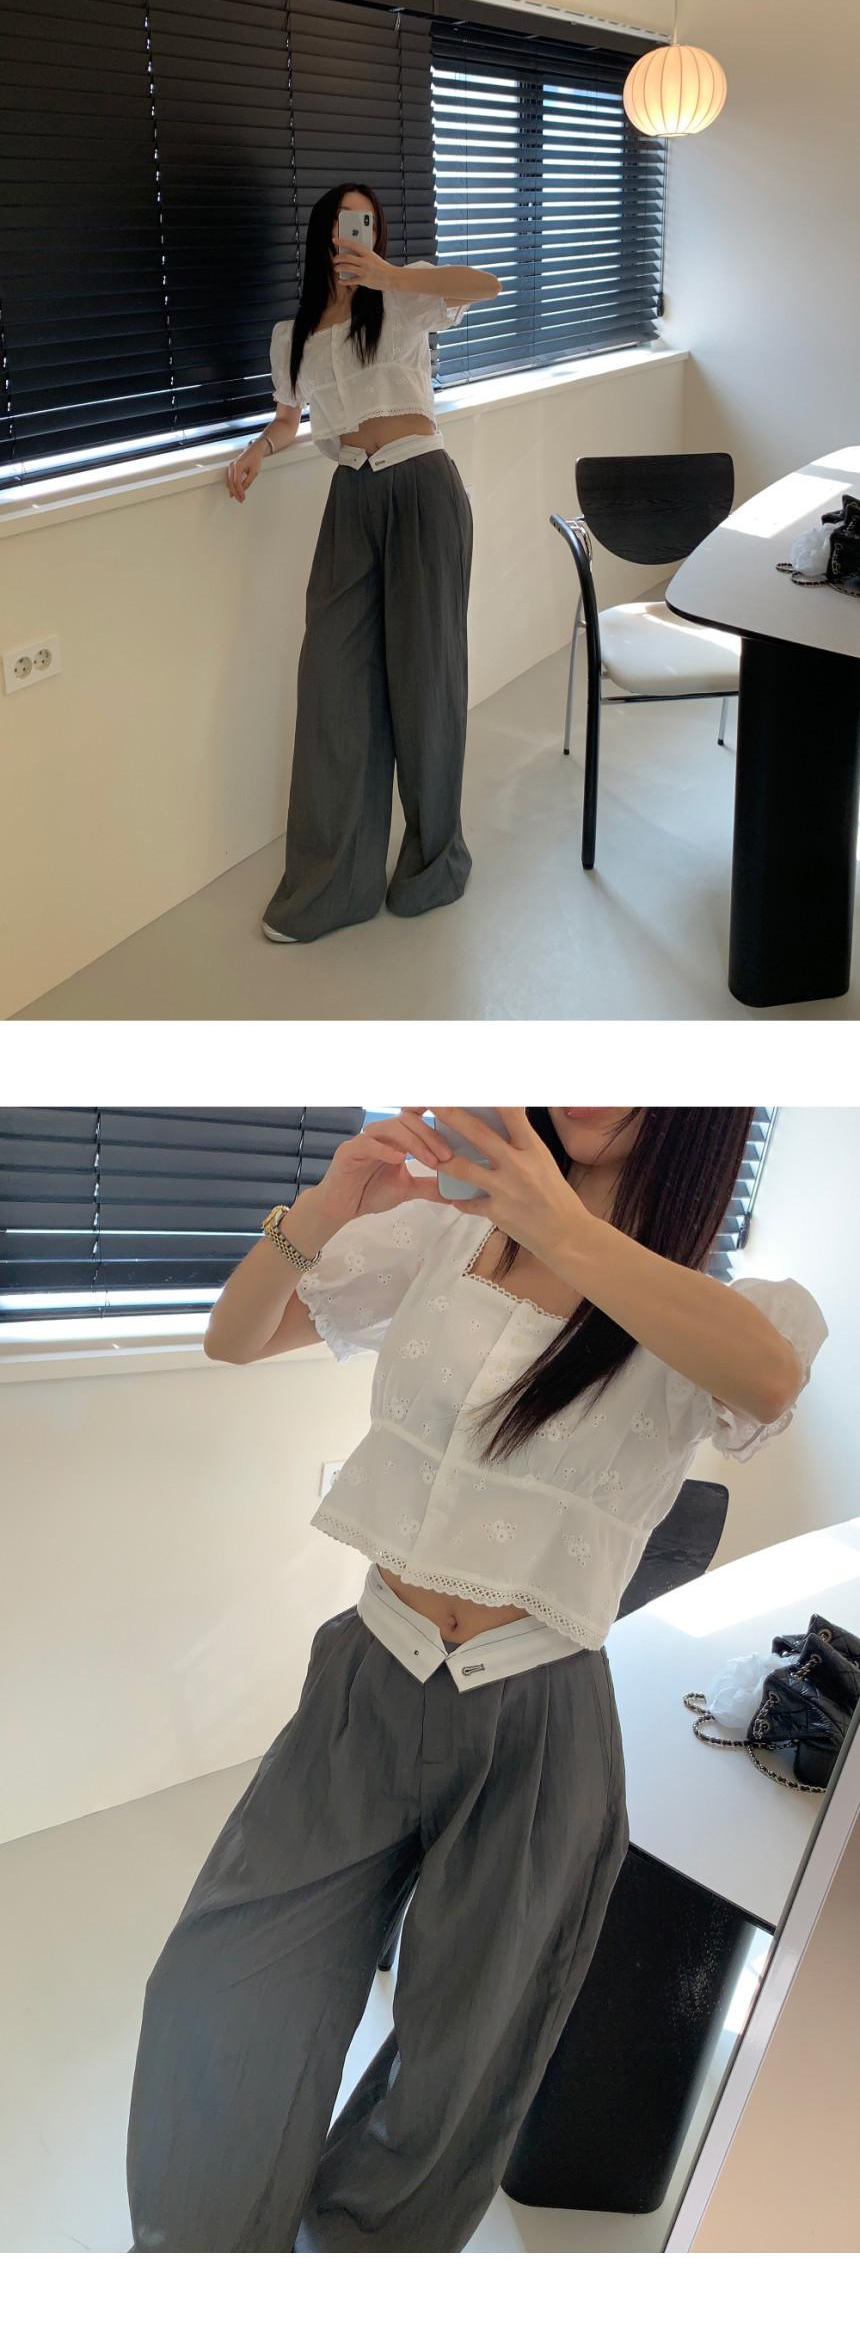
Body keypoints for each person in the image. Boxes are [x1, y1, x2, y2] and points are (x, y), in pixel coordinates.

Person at [126, 1105, 826, 2254]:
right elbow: (233, 1336)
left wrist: (558, 1223)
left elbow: (764, 1377)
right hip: (368, 1673)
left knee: (460, 2068)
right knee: (221, 1988)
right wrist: (324, 1206)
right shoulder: (438, 1239)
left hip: (538, 1717)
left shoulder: (723, 1306)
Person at [226, 184, 497, 941]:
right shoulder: (293, 335)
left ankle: (434, 864)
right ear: (325, 233)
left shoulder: (402, 297)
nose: (360, 232)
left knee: (426, 676)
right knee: (332, 683)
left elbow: (487, 284)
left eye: (370, 223)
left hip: (422, 486)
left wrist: (393, 275)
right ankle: (331, 885)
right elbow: (290, 418)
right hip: (350, 495)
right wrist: (257, 451)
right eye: (350, 222)